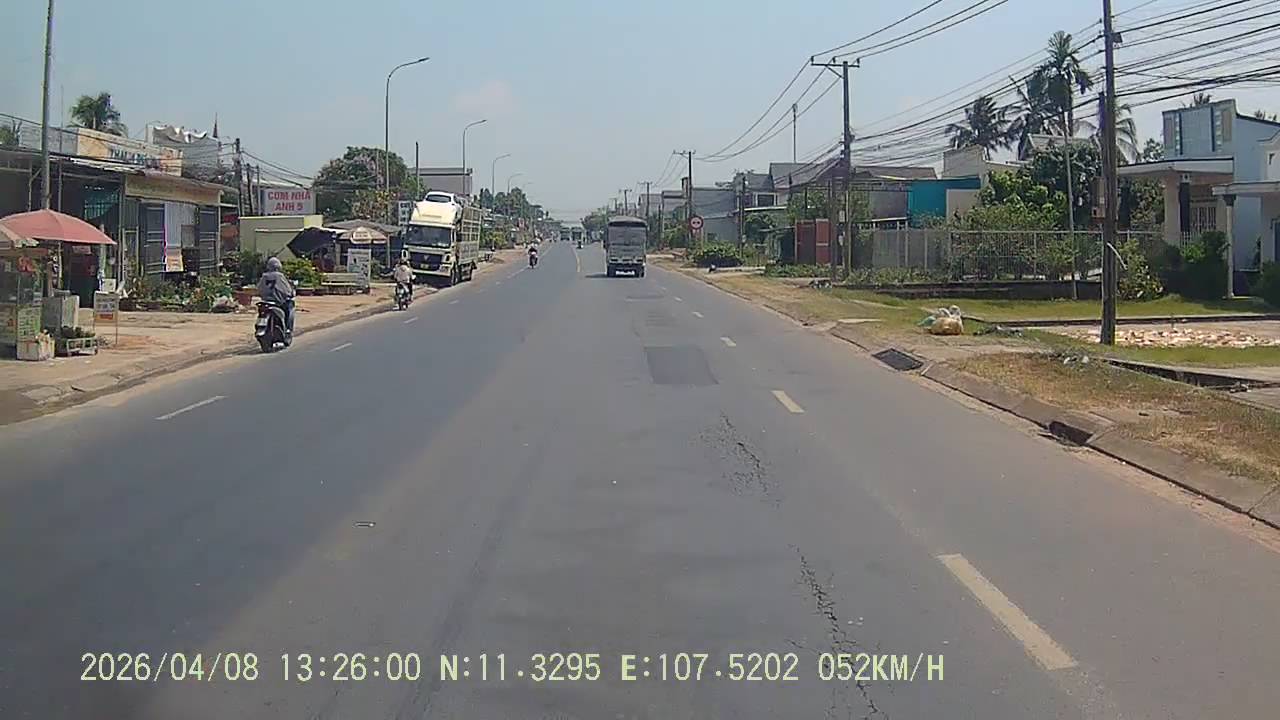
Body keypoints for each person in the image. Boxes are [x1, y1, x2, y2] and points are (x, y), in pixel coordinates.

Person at [257, 256, 296, 334]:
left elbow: (259, 288)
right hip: (278, 301)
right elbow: (286, 289)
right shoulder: (279, 276)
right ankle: (287, 329)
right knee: (289, 307)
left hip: (265, 301)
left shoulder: (264, 276)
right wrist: (290, 293)